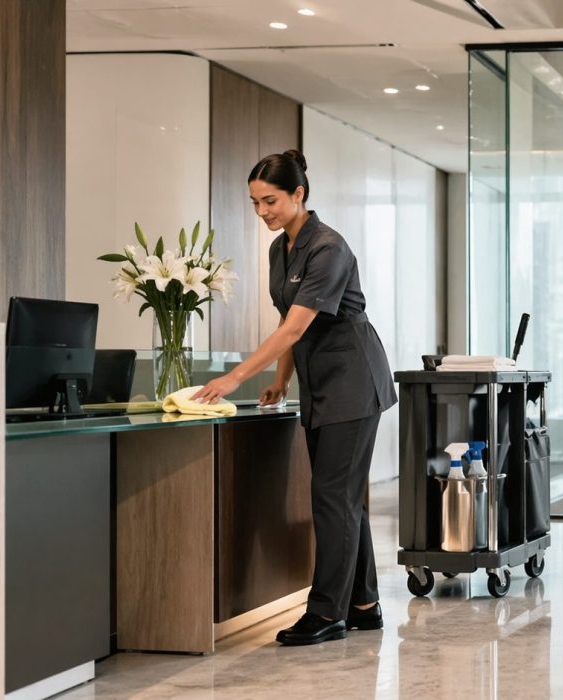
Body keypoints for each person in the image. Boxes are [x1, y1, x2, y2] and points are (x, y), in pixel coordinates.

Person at [192, 149, 397, 645]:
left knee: (332, 499)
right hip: (320, 384)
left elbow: (294, 328)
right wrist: (282, 381)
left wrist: (233, 377)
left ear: (299, 194)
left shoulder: (329, 248)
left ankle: (327, 613)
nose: (262, 212)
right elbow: (291, 322)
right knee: (343, 500)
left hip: (352, 382)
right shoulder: (279, 249)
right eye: (255, 203)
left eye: (271, 201)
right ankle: (364, 604)